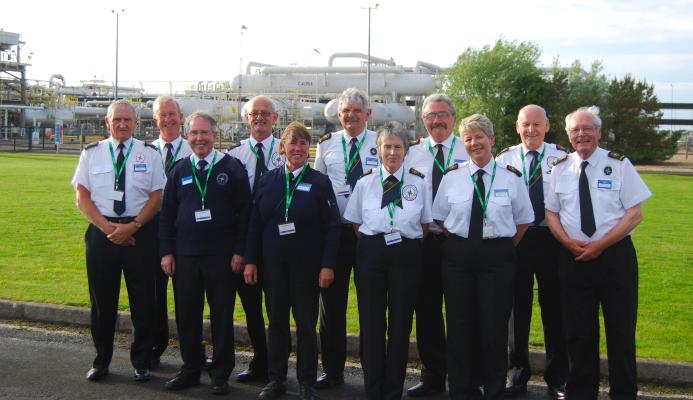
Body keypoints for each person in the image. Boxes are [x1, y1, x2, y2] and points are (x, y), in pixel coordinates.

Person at [545, 106, 651, 400]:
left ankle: (624, 393)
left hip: (615, 258)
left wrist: (600, 245)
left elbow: (635, 214)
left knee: (620, 333)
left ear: (599, 132)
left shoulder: (619, 164)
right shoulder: (560, 168)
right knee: (578, 334)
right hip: (574, 258)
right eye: (575, 130)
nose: (582, 134)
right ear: (568, 135)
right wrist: (567, 242)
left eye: (587, 128)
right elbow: (551, 212)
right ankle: (581, 393)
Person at [432, 114, 533, 399]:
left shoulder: (511, 177)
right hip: (459, 257)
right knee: (460, 324)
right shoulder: (452, 176)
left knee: (494, 327)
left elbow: (523, 220)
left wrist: (498, 244)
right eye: (468, 139)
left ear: (492, 140)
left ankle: (494, 388)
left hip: (497, 257)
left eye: (479, 137)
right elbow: (440, 217)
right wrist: (464, 240)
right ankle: (461, 388)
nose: (474, 143)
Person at [244, 122, 341, 400]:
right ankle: (276, 380)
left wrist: (327, 265)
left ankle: (305, 382)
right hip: (273, 265)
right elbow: (254, 224)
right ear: (282, 147)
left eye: (302, 144)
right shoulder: (267, 181)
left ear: (308, 149)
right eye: (292, 143)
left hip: (307, 268)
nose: (297, 149)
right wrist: (251, 260)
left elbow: (332, 227)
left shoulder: (320, 182)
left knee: (306, 326)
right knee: (275, 323)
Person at [71, 99, 165, 382]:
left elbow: (157, 197)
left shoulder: (149, 154)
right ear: (107, 123)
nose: (122, 124)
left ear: (136, 123)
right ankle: (101, 360)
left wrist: (133, 226)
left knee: (143, 301)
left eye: (127, 120)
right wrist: (109, 228)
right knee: (102, 302)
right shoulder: (91, 154)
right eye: (117, 120)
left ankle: (141, 360)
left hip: (140, 232)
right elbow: (82, 198)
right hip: (102, 233)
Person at [159, 111, 251, 395]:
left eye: (204, 133)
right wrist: (167, 252)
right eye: (194, 133)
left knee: (221, 315)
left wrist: (239, 251)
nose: (199, 139)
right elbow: (167, 215)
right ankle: (190, 368)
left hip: (221, 257)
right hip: (186, 256)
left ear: (214, 135)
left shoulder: (232, 167)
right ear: (188, 137)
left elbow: (245, 214)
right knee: (187, 314)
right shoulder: (179, 169)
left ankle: (221, 372)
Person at [344, 121, 431, 400]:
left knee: (401, 323)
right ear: (378, 149)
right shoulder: (365, 182)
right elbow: (356, 224)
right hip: (372, 252)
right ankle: (373, 389)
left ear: (405, 150)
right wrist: (378, 243)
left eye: (397, 147)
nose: (392, 152)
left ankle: (393, 390)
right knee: (371, 322)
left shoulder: (419, 181)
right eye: (386, 147)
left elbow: (425, 224)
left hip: (406, 253)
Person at [495, 104, 568, 399]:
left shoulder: (562, 158)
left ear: (547, 126)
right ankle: (518, 375)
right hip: (518, 239)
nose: (531, 130)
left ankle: (557, 377)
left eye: (537, 124)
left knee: (555, 310)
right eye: (526, 124)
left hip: (552, 240)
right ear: (517, 126)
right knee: (516, 311)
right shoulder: (504, 159)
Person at [313, 87, 380, 389]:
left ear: (368, 114)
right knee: (331, 306)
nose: (351, 115)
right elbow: (317, 189)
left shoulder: (382, 142)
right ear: (339, 116)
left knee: (372, 306)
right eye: (345, 111)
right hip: (335, 235)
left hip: (369, 235)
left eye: (357, 110)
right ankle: (332, 369)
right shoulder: (327, 145)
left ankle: (373, 372)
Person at [404, 93, 468, 397]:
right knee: (427, 310)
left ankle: (463, 377)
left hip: (460, 241)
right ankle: (432, 374)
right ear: (423, 121)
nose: (436, 121)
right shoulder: (412, 154)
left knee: (462, 312)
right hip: (425, 241)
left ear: (453, 118)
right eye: (430, 116)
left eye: (442, 114)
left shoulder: (468, 147)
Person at [227, 95, 284, 383]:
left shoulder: (286, 152)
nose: (259, 118)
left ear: (275, 119)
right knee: (251, 309)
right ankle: (260, 361)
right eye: (254, 113)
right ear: (246, 118)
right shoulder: (235, 156)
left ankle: (278, 370)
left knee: (277, 310)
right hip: (246, 242)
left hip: (277, 242)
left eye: (266, 113)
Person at [150, 95, 193, 368]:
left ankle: (192, 354)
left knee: (187, 297)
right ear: (155, 119)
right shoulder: (144, 150)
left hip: (186, 232)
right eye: (162, 115)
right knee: (153, 295)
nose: (167, 119)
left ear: (181, 117)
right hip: (152, 230)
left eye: (172, 114)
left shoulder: (194, 148)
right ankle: (154, 347)